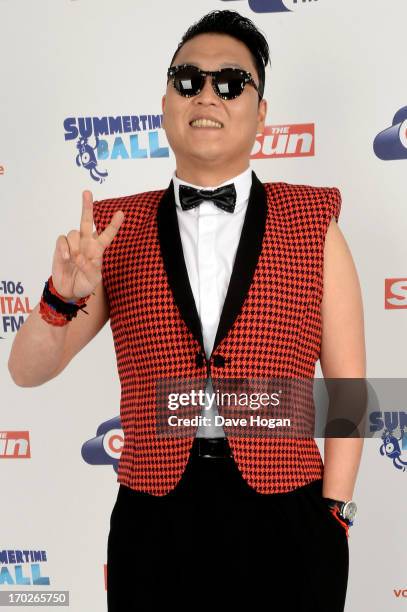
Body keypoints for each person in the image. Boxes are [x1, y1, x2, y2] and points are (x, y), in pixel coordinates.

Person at [8, 9, 365, 612]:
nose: (207, 95)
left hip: (288, 511)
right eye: (188, 80)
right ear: (166, 100)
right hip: (154, 514)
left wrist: (335, 513)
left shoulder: (314, 223)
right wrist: (61, 295)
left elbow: (350, 389)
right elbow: (26, 371)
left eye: (230, 83)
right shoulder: (110, 232)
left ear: (261, 112)